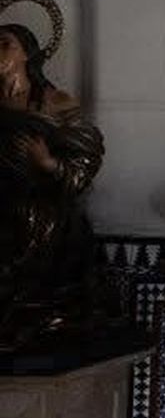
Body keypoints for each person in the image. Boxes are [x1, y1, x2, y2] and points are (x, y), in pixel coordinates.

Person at [0, 21, 107, 349]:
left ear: (26, 54)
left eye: (5, 44)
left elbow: (87, 155)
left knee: (36, 226)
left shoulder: (54, 102)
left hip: (42, 204)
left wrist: (48, 163)